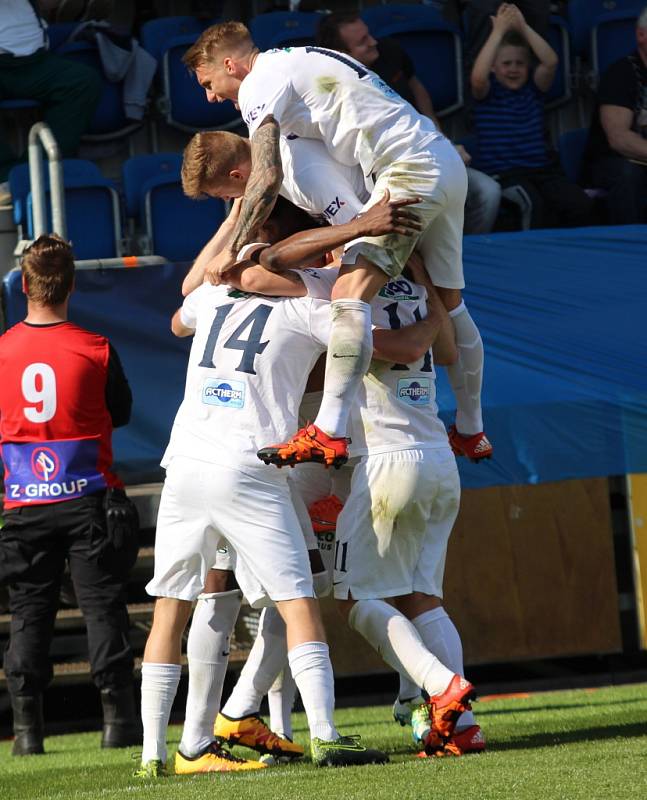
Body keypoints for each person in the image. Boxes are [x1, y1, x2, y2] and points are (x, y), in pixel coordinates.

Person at [134, 200, 420, 778]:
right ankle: (326, 736)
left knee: (171, 606)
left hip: (185, 460)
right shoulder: (311, 308)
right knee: (299, 602)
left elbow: (179, 316)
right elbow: (357, 340)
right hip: (250, 463)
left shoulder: (213, 296)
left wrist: (236, 252)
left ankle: (157, 756)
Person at [182, 21, 493, 470]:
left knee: (349, 297)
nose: (211, 96)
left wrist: (233, 249)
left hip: (406, 174)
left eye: (209, 83)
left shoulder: (262, 95)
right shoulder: (296, 65)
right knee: (453, 303)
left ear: (230, 64)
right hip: (438, 158)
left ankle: (328, 431)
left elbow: (282, 184)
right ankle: (472, 429)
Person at [0, 234, 139, 756]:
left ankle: (28, 733)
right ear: (70, 285)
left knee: (29, 612)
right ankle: (118, 724)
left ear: (26, 285)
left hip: (24, 501)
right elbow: (120, 412)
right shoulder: (96, 348)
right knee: (103, 608)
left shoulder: (3, 352)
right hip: (89, 497)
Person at [316, 10, 502, 235]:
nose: (374, 42)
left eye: (369, 34)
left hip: (429, 147)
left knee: (488, 191)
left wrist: (441, 140)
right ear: (342, 53)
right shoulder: (334, 86)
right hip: (389, 171)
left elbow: (417, 89)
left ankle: (469, 250)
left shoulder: (390, 50)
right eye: (363, 42)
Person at [470, 3, 594, 229]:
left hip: (542, 172)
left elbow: (551, 61)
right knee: (532, 205)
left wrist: (523, 26)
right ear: (493, 68)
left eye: (520, 64)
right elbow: (478, 78)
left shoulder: (533, 90)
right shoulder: (487, 94)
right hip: (506, 174)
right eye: (506, 64)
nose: (513, 69)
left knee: (579, 203)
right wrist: (498, 31)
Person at [0, 0, 102, 200]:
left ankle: (39, 170)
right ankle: (4, 176)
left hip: (35, 60)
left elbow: (50, 4)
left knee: (83, 81)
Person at [585, 5, 647, 225]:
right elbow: (619, 138)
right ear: (641, 35)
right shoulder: (621, 73)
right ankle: (631, 246)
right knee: (628, 174)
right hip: (614, 160)